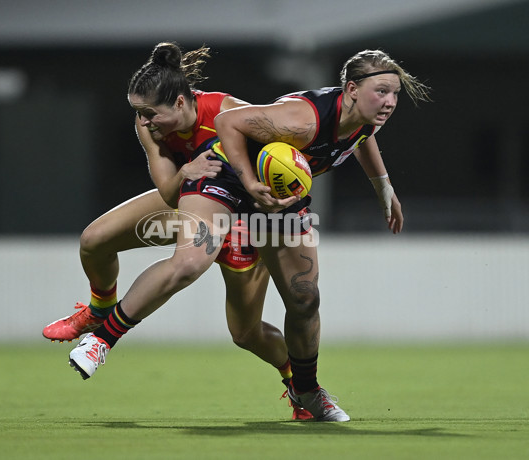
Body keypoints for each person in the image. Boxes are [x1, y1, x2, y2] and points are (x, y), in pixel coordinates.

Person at [68, 48, 429, 422]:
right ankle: (100, 339)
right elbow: (228, 124)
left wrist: (384, 188)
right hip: (227, 175)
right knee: (190, 262)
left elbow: (360, 136)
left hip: (276, 192)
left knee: (304, 299)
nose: (389, 102)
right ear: (352, 89)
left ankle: (306, 391)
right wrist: (248, 181)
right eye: (382, 91)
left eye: (394, 93)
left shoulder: (368, 116)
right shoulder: (302, 122)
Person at [42, 42, 312, 419]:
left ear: (182, 104)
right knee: (94, 240)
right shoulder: (148, 127)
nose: (144, 121)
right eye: (139, 112)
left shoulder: (228, 112)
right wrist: (187, 171)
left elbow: (280, 162)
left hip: (247, 220)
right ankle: (101, 310)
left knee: (246, 333)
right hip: (193, 201)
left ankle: (299, 388)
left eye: (151, 113)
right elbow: (170, 193)